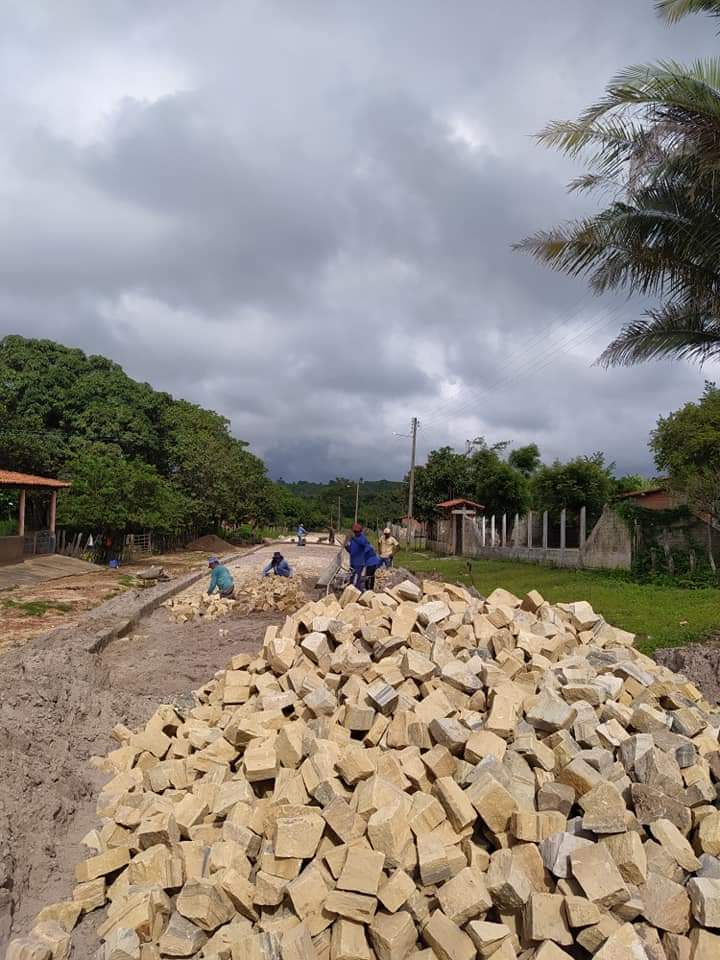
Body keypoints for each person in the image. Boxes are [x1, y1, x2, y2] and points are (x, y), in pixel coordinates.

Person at [345, 522, 370, 589]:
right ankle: (350, 590)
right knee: (351, 577)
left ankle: (357, 590)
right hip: (353, 561)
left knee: (357, 578)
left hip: (359, 562)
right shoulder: (353, 538)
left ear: (360, 531)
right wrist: (347, 546)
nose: (355, 533)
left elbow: (363, 544)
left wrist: (354, 538)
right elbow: (350, 550)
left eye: (357, 532)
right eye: (354, 532)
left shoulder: (363, 538)